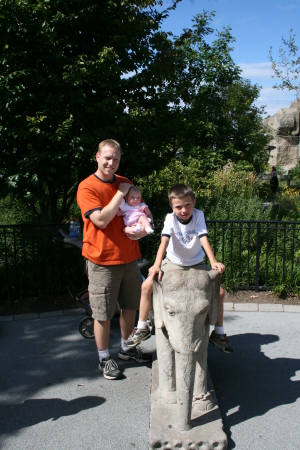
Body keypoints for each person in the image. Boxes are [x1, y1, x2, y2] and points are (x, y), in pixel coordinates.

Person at [125, 183, 234, 354]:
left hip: (196, 262)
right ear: (172, 206)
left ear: (194, 202)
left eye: (187, 205)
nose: (184, 210)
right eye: (179, 206)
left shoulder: (198, 215)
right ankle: (142, 327)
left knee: (219, 292)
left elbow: (203, 238)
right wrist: (157, 265)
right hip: (173, 261)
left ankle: (218, 333)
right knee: (146, 286)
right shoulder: (170, 218)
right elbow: (165, 241)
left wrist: (213, 261)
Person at [77, 139, 152, 380]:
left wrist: (143, 229)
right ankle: (104, 358)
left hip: (129, 257)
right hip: (101, 260)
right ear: (97, 156)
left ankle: (127, 349)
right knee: (103, 313)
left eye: (116, 159)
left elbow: (139, 210)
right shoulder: (88, 187)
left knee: (130, 306)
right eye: (107, 157)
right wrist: (119, 194)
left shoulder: (126, 182)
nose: (111, 162)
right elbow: (100, 220)